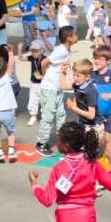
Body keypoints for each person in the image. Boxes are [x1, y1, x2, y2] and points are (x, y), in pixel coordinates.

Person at [36, 25, 77, 155]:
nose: (76, 37)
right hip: (50, 88)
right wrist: (44, 76)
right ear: (69, 38)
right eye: (74, 35)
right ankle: (41, 144)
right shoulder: (62, 51)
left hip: (57, 88)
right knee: (48, 116)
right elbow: (43, 63)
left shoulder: (65, 49)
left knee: (60, 115)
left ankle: (62, 141)